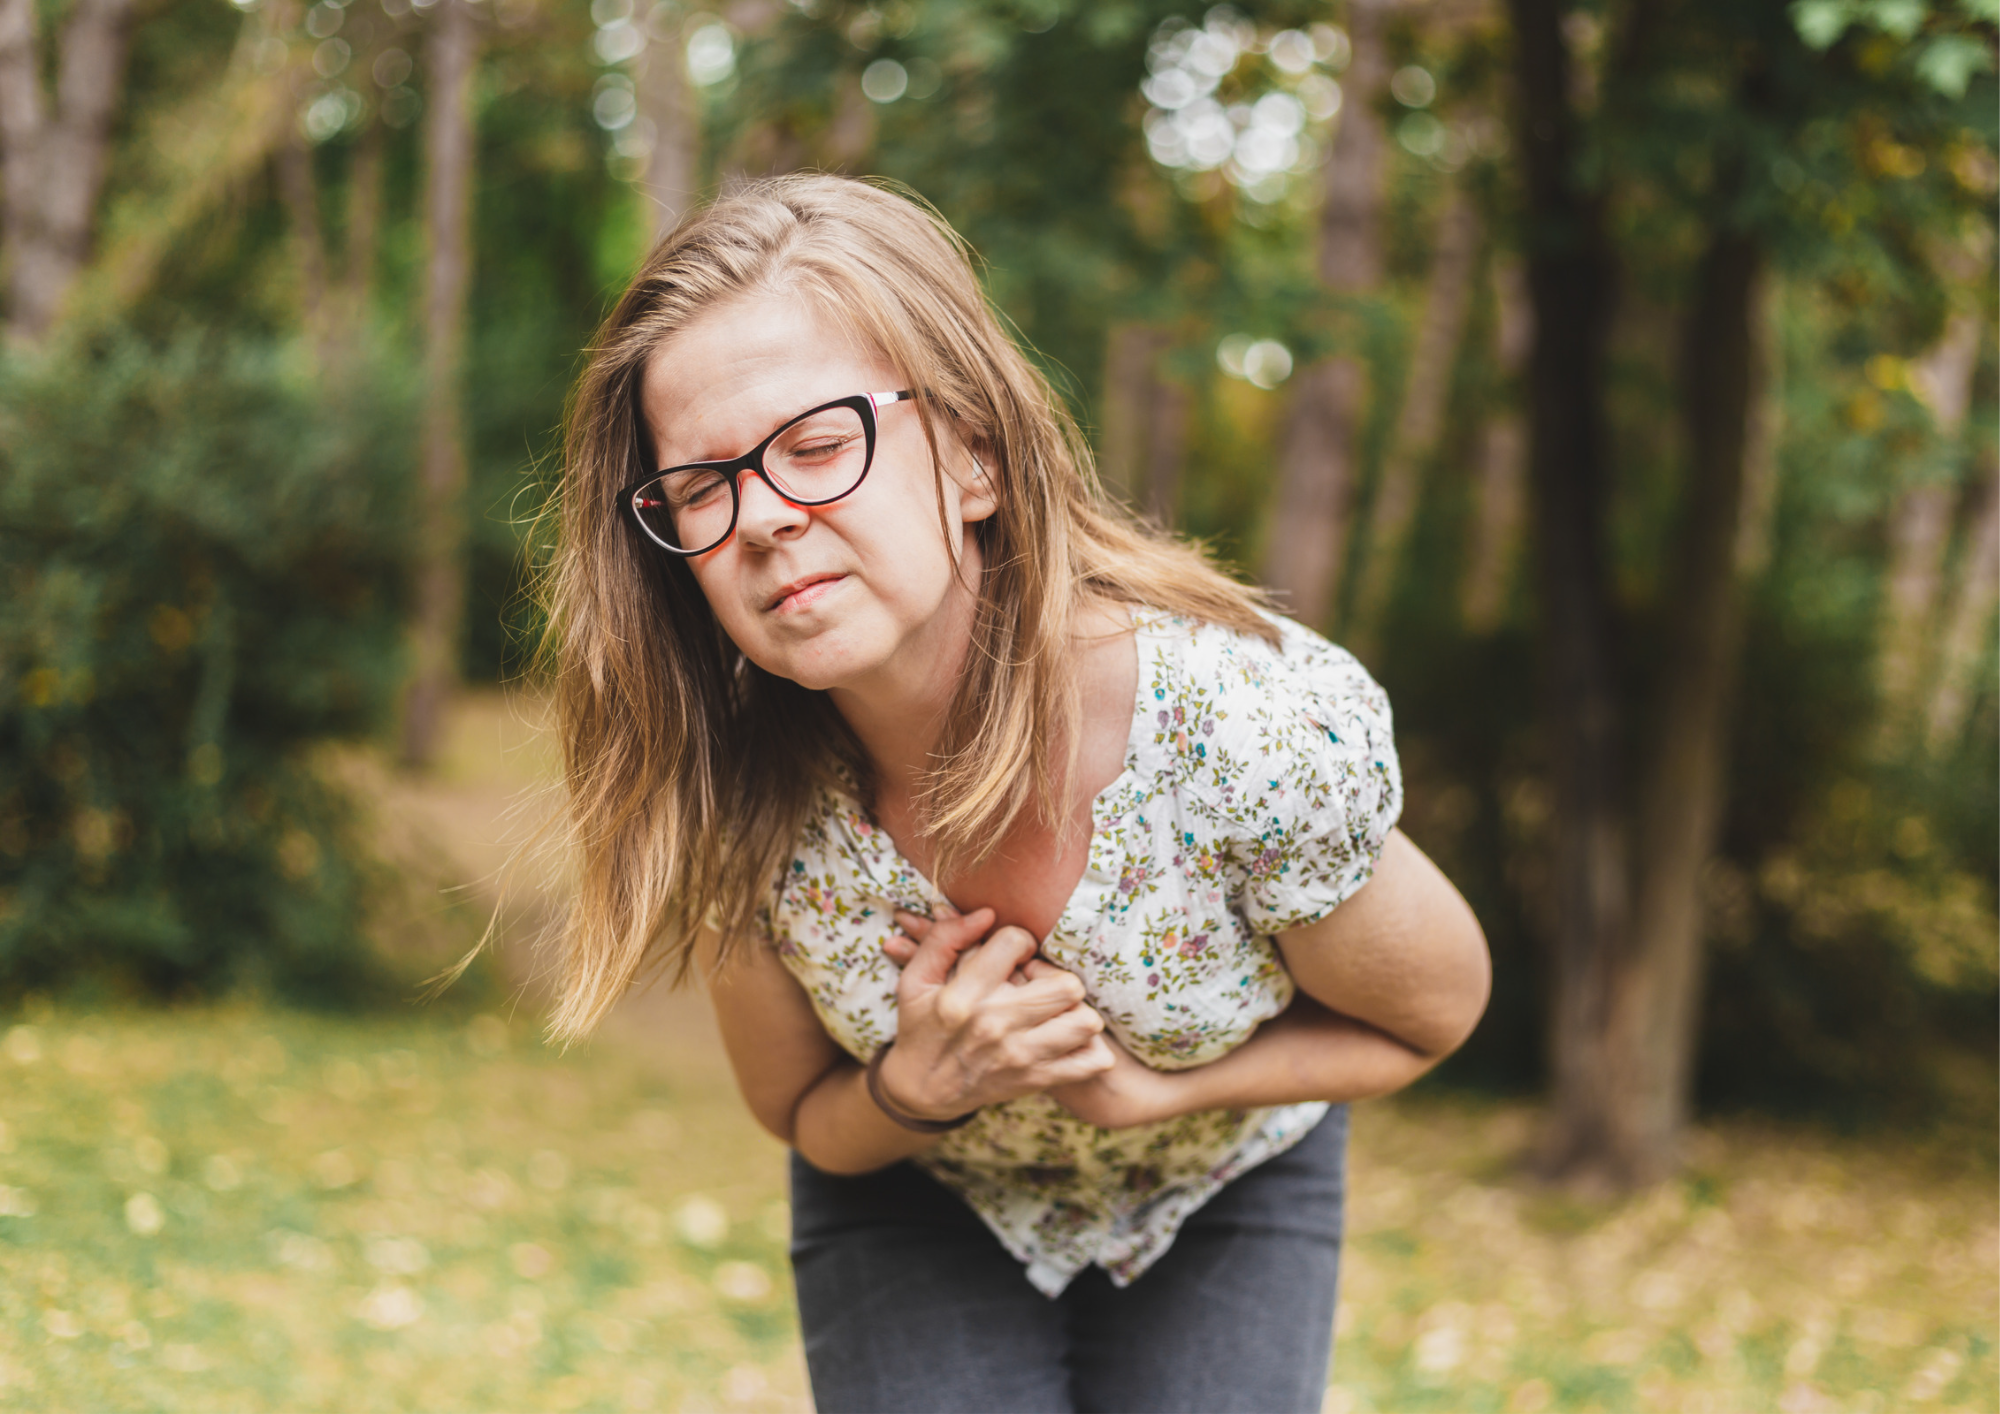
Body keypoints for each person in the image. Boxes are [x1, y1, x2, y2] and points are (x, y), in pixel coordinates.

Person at [541, 173, 1491, 1414]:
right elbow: (802, 1115)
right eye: (703, 486)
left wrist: (1156, 1091)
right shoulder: (733, 797)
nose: (763, 519)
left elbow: (1427, 1016)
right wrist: (912, 1087)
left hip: (1222, 1181)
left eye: (818, 445)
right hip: (915, 1195)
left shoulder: (1239, 737)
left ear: (974, 457)